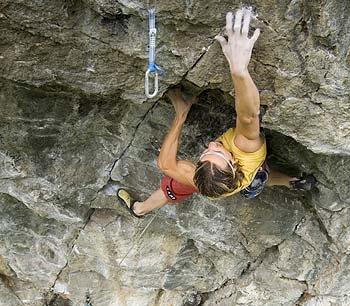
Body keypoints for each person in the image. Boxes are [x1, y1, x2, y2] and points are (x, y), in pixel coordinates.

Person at [117, 9, 317, 218]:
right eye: (219, 152)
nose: (212, 145)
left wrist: (181, 116)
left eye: (206, 154)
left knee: (175, 185)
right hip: (251, 172)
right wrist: (239, 70)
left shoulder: (201, 180)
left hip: (234, 179)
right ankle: (289, 182)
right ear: (234, 164)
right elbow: (248, 116)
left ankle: (139, 209)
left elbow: (166, 164)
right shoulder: (246, 148)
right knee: (256, 178)